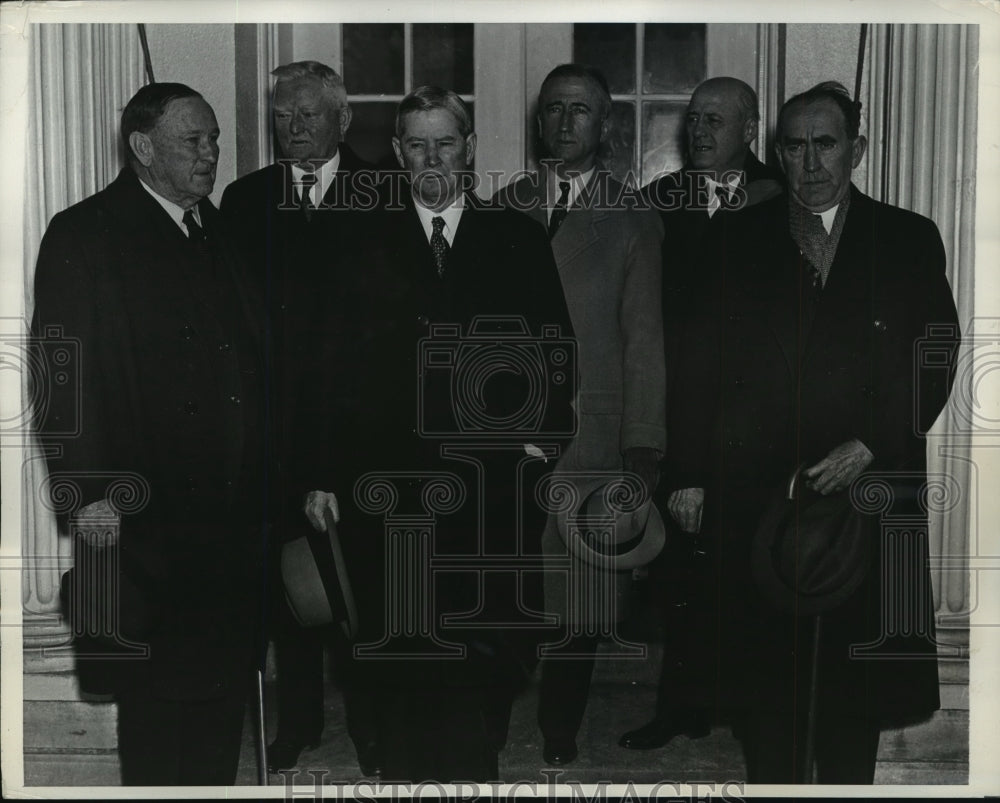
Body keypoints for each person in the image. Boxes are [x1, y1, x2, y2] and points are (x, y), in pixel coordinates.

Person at [664, 81, 959, 782]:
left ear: (857, 149)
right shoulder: (733, 238)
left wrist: (873, 442)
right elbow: (697, 365)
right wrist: (688, 475)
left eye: (826, 144)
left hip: (869, 484)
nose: (811, 162)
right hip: (759, 491)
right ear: (778, 152)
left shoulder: (908, 237)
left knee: (855, 694)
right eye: (794, 147)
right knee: (768, 696)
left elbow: (935, 354)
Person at [338, 85, 576, 782]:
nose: (432, 158)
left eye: (445, 143)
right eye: (417, 144)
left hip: (491, 489)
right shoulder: (358, 241)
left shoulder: (515, 237)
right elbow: (329, 366)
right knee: (402, 657)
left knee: (483, 658)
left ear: (470, 149)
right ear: (397, 152)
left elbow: (554, 349)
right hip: (392, 490)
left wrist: (536, 449)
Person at [31, 83, 266, 785]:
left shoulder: (219, 229)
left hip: (229, 517)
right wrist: (89, 493)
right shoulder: (85, 233)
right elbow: (61, 377)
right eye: (193, 141)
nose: (211, 153)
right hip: (142, 518)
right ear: (142, 147)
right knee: (159, 708)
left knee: (220, 697)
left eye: (214, 138)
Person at [493, 63, 666, 767]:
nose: (566, 123)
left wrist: (643, 445)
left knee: (582, 593)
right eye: (555, 109)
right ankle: (494, 716)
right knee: (509, 584)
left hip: (592, 435)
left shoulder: (632, 217)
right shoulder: (503, 205)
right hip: (508, 431)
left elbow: (644, 340)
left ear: (606, 125)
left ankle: (561, 726)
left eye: (582, 110)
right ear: (539, 121)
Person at [220, 59, 380, 778]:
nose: (294, 127)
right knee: (291, 585)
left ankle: (373, 724)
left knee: (360, 582)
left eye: (310, 114)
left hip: (357, 426)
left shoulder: (384, 192)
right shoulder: (246, 199)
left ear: (343, 119)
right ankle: (302, 722)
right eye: (283, 115)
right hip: (279, 427)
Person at [620, 76, 784, 752]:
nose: (700, 131)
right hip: (681, 416)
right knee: (680, 577)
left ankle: (749, 712)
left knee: (752, 574)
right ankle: (681, 706)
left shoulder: (784, 200)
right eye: (694, 119)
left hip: (759, 428)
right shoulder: (660, 202)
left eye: (716, 120)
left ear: (749, 129)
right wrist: (681, 459)